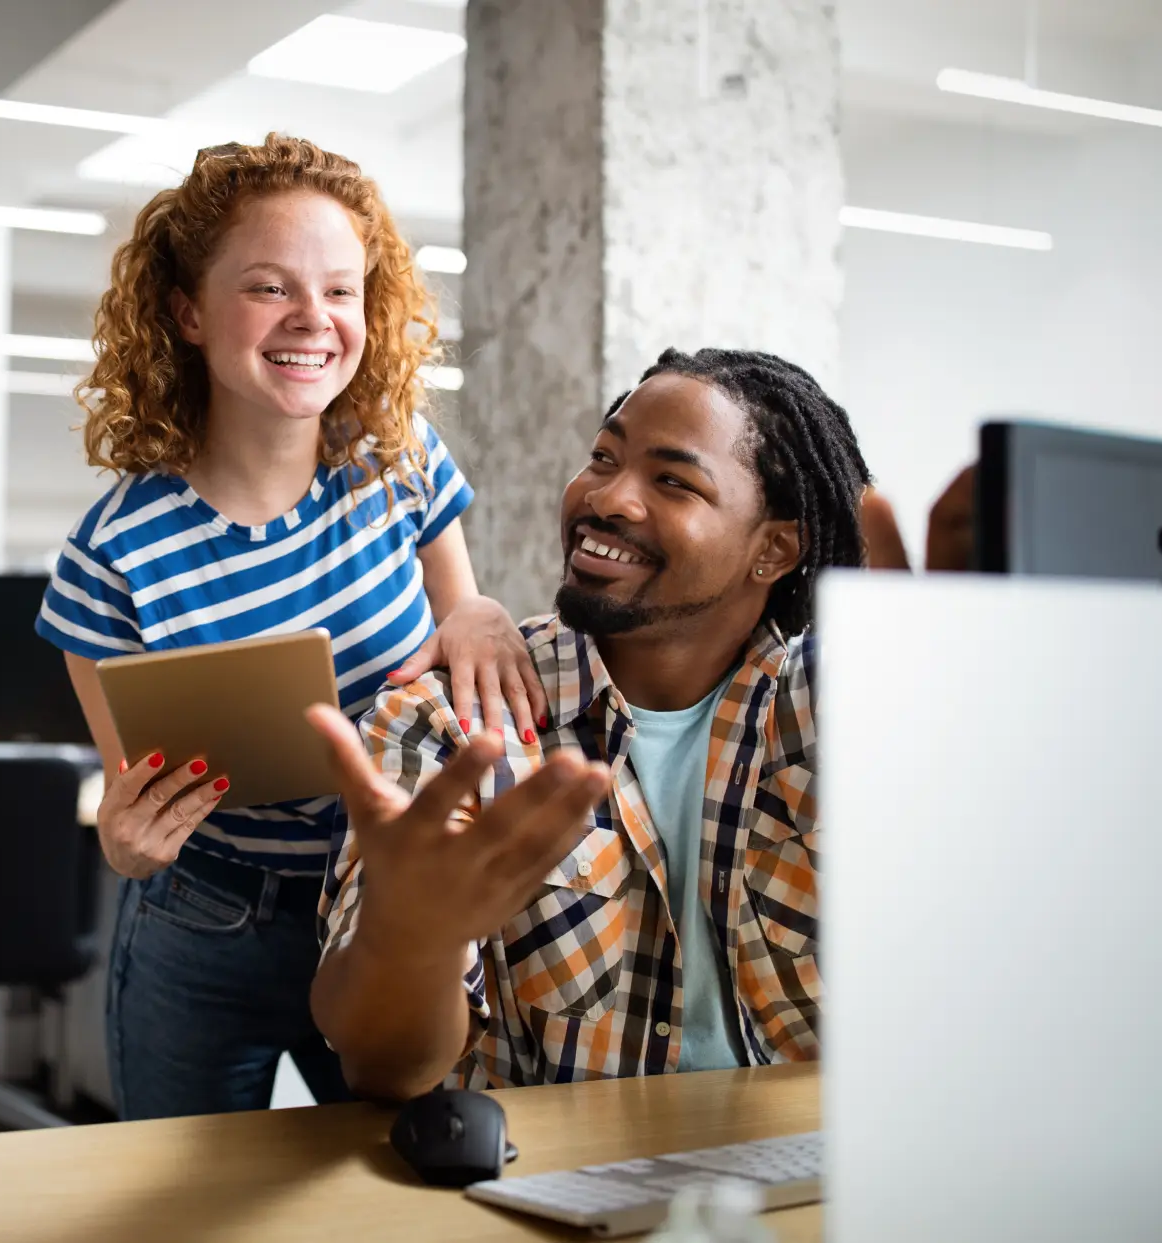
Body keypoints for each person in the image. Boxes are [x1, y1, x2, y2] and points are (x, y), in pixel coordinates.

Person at [35, 134, 547, 1120]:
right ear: (186, 312)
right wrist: (128, 841)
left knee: (404, 1184)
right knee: (176, 1202)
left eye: (341, 290)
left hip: (382, 902)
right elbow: (125, 801)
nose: (313, 317)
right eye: (269, 287)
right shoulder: (112, 553)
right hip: (202, 916)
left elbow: (459, 620)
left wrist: (481, 614)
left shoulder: (399, 464)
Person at [310, 347, 870, 1099]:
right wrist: (411, 940)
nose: (607, 497)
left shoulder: (849, 713)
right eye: (602, 458)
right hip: (553, 1185)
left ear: (771, 549)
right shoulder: (448, 727)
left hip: (814, 1180)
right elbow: (383, 1069)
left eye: (671, 480)